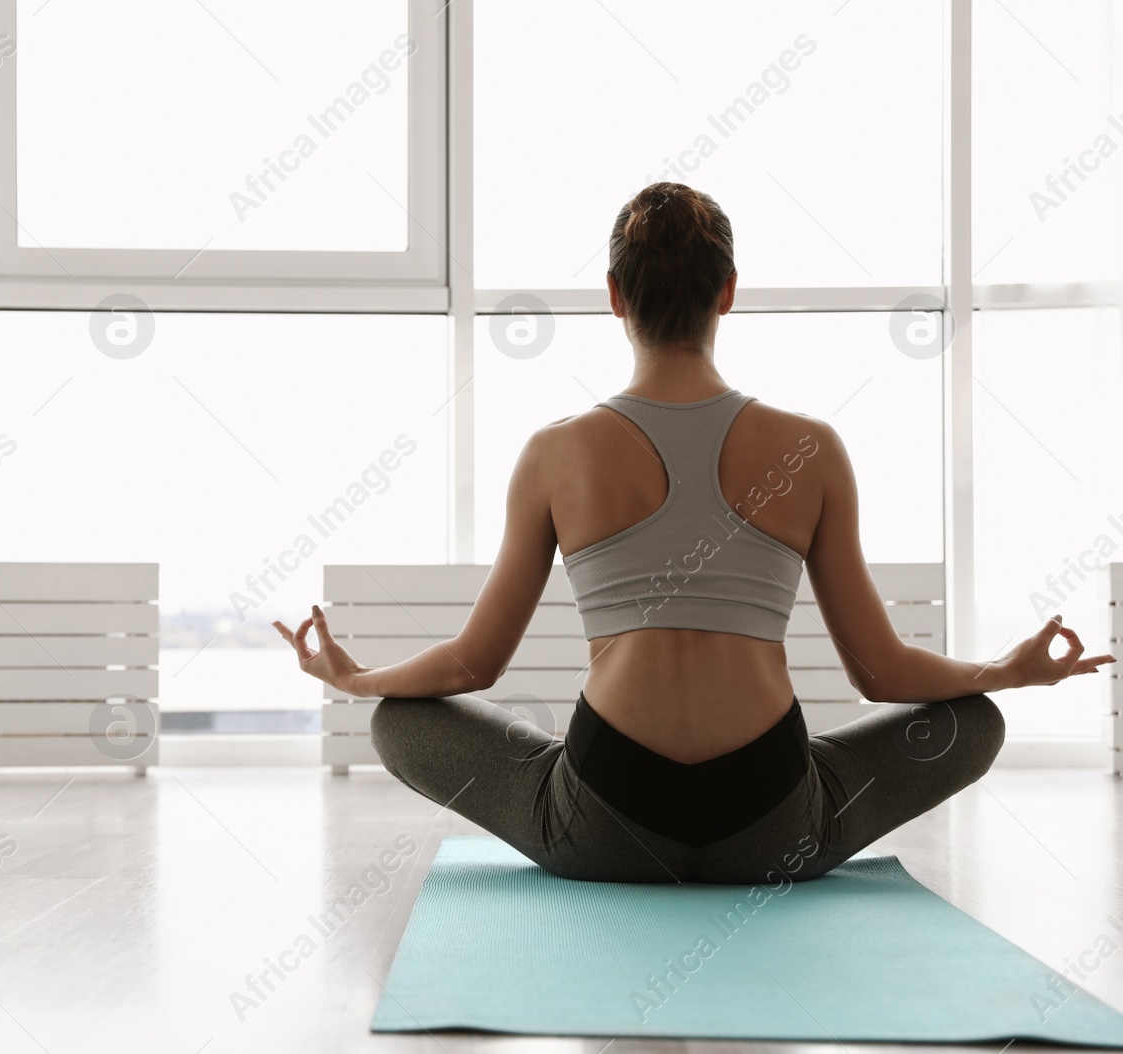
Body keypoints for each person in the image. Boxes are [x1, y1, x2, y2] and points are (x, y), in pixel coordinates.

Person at [272, 181, 1115, 884]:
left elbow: (472, 664)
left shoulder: (554, 453)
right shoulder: (811, 449)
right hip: (774, 826)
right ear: (728, 290)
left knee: (398, 721)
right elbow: (882, 674)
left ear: (613, 296)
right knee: (977, 723)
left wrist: (358, 678)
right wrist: (1006, 671)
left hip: (603, 825)